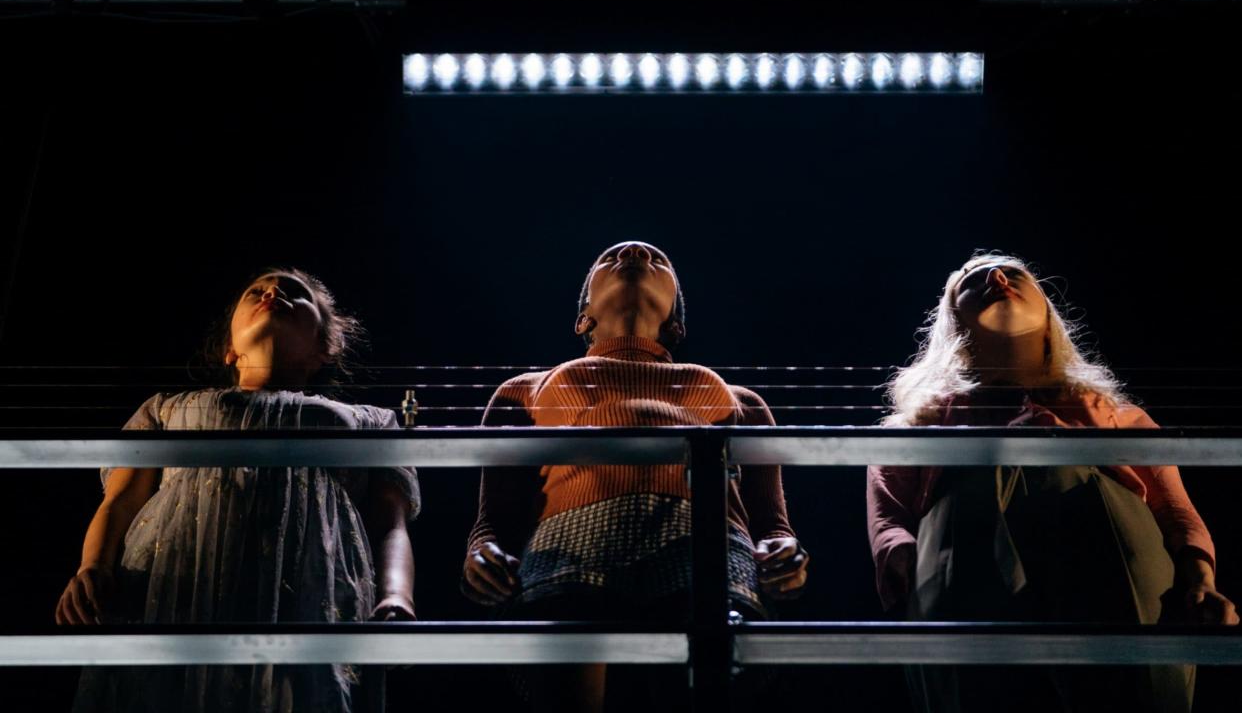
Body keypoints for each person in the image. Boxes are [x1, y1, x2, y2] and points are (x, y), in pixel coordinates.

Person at [867, 251, 1237, 713]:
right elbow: (891, 524)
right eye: (973, 280)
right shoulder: (915, 425)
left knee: (1132, 682)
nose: (998, 277)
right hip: (962, 539)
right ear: (953, 320)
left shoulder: (1119, 418)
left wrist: (1200, 579)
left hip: (1111, 535)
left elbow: (1175, 510)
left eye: (1013, 273)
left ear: (1047, 310)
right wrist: (916, 588)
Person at [462, 240, 808, 712]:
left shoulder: (737, 399)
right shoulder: (524, 390)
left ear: (675, 321)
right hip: (569, 548)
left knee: (695, 668)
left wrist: (782, 552)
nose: (635, 252)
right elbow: (493, 517)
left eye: (658, 259)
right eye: (611, 257)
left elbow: (772, 523)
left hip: (704, 544)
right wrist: (483, 554)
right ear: (583, 316)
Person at [57, 268, 420, 713]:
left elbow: (390, 525)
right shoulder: (167, 410)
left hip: (310, 597)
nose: (272, 292)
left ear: (327, 345)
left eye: (294, 293)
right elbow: (120, 500)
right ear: (229, 349)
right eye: (257, 290)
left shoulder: (369, 422)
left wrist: (397, 596)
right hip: (172, 592)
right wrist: (92, 565)